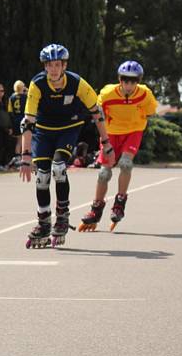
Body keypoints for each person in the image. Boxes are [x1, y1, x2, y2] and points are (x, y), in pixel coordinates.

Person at [18, 43, 113, 248]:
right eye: (50, 65)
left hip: (69, 127)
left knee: (59, 168)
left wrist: (106, 142)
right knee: (42, 176)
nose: (53, 69)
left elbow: (97, 113)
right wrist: (25, 157)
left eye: (57, 65)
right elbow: (27, 122)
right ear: (45, 66)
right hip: (43, 130)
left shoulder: (77, 83)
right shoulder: (37, 84)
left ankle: (62, 216)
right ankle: (43, 222)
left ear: (64, 65)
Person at [79, 60, 158, 231]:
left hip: (133, 132)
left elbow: (151, 111)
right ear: (119, 80)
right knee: (104, 173)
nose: (129, 85)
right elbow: (97, 113)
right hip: (111, 133)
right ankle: (96, 209)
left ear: (138, 81)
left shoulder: (145, 94)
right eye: (125, 80)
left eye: (133, 81)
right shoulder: (108, 93)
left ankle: (120, 203)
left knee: (125, 163)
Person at [6, 80, 28, 169]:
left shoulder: (11, 97)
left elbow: (10, 111)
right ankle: (23, 159)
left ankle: (18, 158)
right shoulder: (25, 97)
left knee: (19, 140)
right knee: (24, 140)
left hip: (15, 120)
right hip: (23, 119)